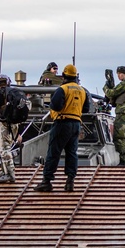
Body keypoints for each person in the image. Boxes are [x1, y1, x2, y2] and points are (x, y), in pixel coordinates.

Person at [33, 64, 89, 193]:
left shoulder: (62, 89)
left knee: (54, 152)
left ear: (64, 76)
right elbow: (85, 109)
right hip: (76, 124)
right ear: (75, 76)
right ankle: (70, 181)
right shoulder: (82, 91)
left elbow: (56, 106)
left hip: (62, 123)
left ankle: (47, 181)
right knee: (72, 153)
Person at [104, 65, 125, 166]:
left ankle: (123, 161)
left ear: (122, 74)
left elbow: (111, 93)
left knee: (119, 137)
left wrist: (106, 87)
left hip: (123, 113)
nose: (118, 76)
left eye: (119, 74)